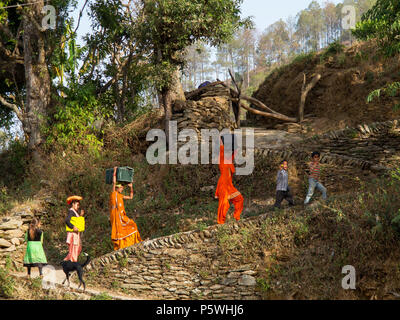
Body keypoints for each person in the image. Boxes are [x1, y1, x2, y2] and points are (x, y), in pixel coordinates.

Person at [109, 166, 142, 251]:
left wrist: (131, 187)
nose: (122, 189)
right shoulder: (114, 194)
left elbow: (131, 197)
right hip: (116, 217)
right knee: (119, 232)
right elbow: (113, 182)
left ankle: (134, 243)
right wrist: (115, 171)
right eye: (121, 188)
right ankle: (122, 246)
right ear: (117, 187)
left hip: (122, 216)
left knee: (132, 225)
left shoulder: (120, 195)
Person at [215, 135, 244, 224]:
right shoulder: (222, 158)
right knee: (224, 204)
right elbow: (221, 148)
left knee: (239, 199)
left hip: (229, 186)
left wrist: (235, 143)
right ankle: (220, 222)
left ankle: (236, 217)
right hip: (223, 185)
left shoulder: (229, 160)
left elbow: (235, 151)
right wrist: (220, 138)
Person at [64, 196, 84, 262]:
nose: (78, 207)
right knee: (74, 248)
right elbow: (67, 220)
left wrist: (80, 216)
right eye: (77, 205)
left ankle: (68, 261)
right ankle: (72, 262)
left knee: (77, 248)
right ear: (73, 204)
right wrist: (73, 227)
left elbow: (76, 221)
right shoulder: (71, 211)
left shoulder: (74, 212)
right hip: (73, 233)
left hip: (75, 233)